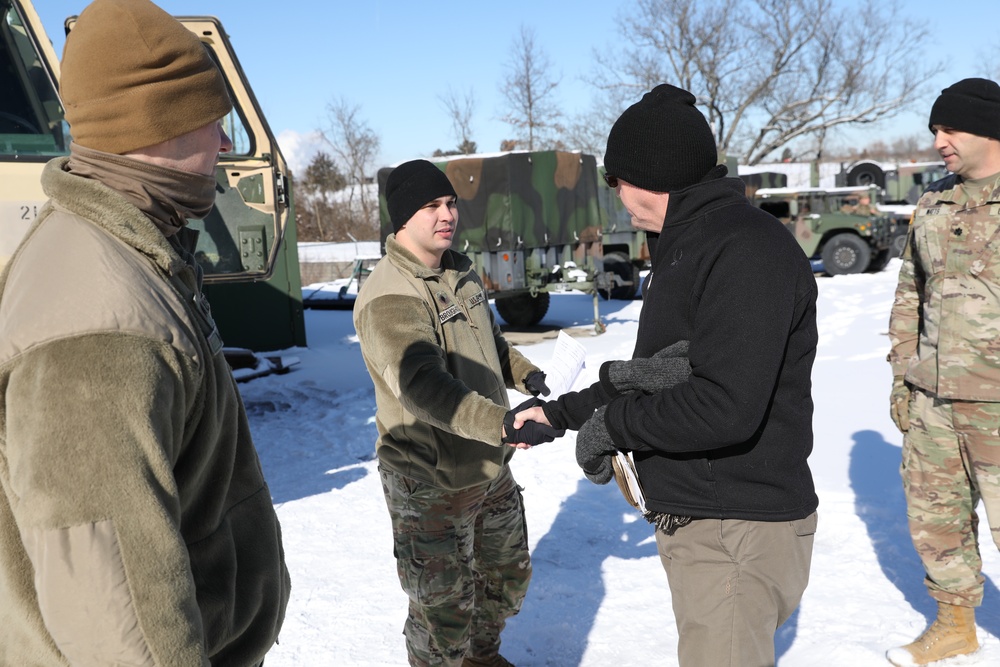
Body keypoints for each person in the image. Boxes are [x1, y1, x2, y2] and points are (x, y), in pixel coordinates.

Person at [0, 1, 290, 664]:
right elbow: (114, 614)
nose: (223, 143)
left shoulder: (127, 253)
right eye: (211, 118)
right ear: (158, 123)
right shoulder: (97, 315)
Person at [515, 84, 819, 667]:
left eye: (618, 180)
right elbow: (659, 371)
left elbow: (723, 405)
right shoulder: (690, 245)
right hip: (709, 521)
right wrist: (560, 414)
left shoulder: (745, 250)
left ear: (654, 175)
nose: (617, 196)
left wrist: (613, 427)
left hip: (737, 526)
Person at [353, 159, 562, 667]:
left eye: (450, 203)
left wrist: (525, 373)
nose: (447, 214)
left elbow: (487, 341)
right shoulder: (392, 297)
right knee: (442, 614)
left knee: (506, 581)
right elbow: (423, 386)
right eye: (431, 206)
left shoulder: (459, 271)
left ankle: (482, 658)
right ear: (402, 219)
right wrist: (501, 422)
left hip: (489, 466)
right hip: (430, 480)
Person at [886, 77, 1000, 666]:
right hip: (933, 397)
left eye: (950, 129)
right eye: (936, 129)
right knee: (937, 521)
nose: (939, 141)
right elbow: (912, 292)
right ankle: (955, 626)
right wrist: (903, 373)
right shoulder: (933, 202)